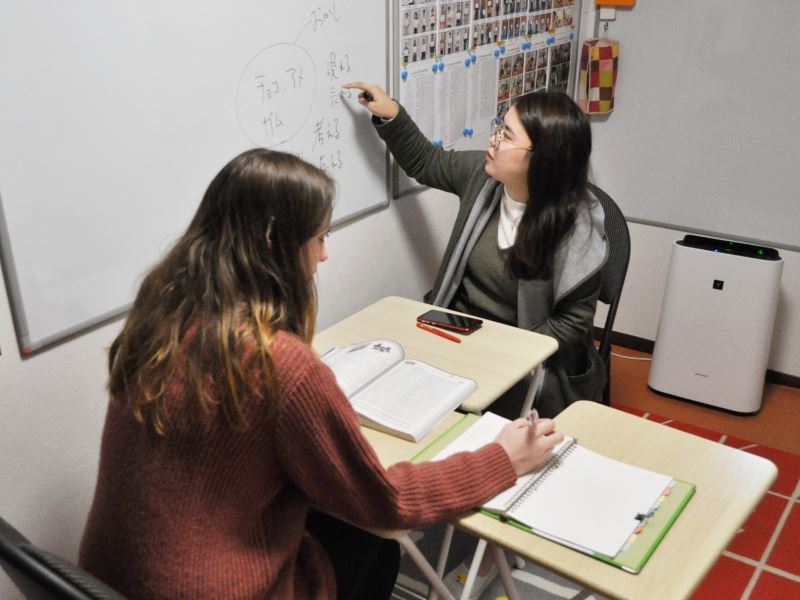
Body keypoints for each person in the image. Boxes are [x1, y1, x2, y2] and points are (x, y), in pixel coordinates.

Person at [78, 148, 564, 600]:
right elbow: (386, 501)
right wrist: (502, 459)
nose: (324, 255)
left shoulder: (160, 316)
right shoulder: (279, 364)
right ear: (275, 242)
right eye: (320, 238)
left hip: (109, 583)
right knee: (378, 548)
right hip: (213, 586)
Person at [342, 82, 607, 420]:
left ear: (543, 160)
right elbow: (426, 161)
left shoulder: (577, 227)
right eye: (500, 126)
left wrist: (505, 350)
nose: (494, 139)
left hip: (524, 355)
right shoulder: (482, 178)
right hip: (459, 332)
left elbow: (573, 321)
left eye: (508, 136)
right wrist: (391, 113)